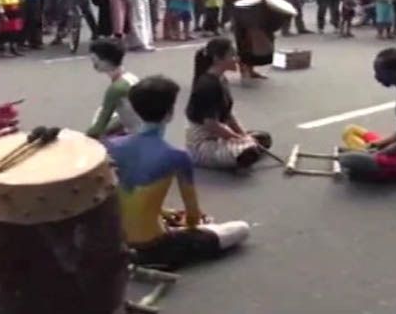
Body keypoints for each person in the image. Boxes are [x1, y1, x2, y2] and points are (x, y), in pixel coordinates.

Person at [105, 76, 250, 271]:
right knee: (241, 229)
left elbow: (126, 193)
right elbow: (192, 217)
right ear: (170, 113)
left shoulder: (112, 145)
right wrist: (189, 225)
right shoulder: (177, 156)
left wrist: (164, 213)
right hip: (155, 246)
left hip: (119, 240)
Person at [339, 46, 396, 182]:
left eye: (379, 73)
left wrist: (380, 152)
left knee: (345, 159)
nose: (376, 77)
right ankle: (366, 154)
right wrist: (381, 143)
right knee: (350, 130)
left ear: (395, 72)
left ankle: (369, 158)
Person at [185, 38, 272, 170]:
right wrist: (238, 138)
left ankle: (238, 148)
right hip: (204, 142)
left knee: (263, 138)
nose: (236, 59)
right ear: (217, 59)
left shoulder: (221, 79)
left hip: (218, 135)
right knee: (249, 153)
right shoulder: (208, 85)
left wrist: (244, 136)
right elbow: (211, 125)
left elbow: (228, 115)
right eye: (232, 55)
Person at [86, 39, 143, 140]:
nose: (94, 65)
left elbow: (99, 127)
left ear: (106, 60)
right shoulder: (132, 78)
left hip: (137, 137)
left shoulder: (115, 89)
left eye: (95, 61)